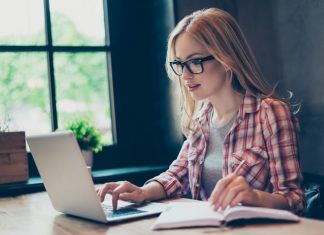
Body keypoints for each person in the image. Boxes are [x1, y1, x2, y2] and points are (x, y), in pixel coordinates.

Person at [97, 8, 305, 214]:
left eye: (195, 61)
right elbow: (177, 175)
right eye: (179, 63)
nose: (185, 75)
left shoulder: (271, 114)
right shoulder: (201, 119)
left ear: (226, 58)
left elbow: (294, 199)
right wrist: (141, 192)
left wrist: (254, 197)